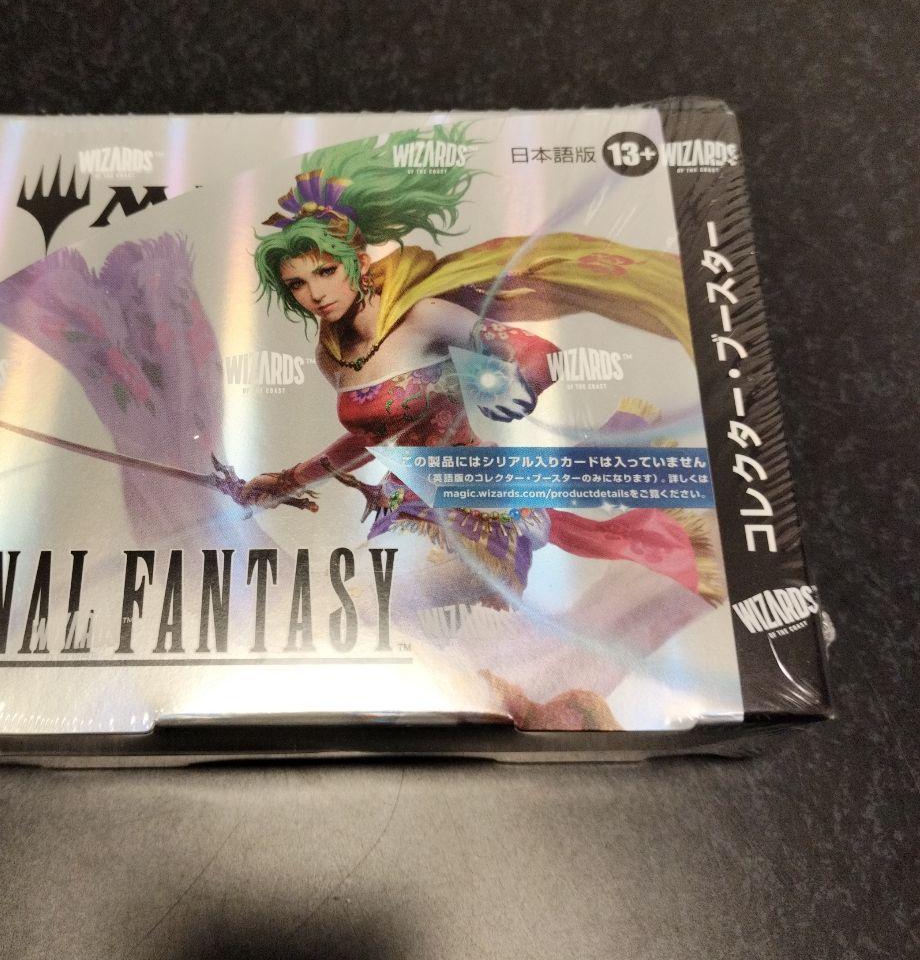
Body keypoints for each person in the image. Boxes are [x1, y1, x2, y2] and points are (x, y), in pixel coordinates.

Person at [240, 128, 724, 729]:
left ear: (357, 263)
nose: (314, 294)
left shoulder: (422, 318)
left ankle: (516, 702)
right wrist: (288, 480)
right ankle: (540, 707)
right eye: (297, 284)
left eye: (324, 273)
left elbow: (533, 352)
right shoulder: (331, 354)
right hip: (409, 512)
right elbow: (368, 439)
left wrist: (509, 385)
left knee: (361, 609)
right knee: (365, 631)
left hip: (479, 509)